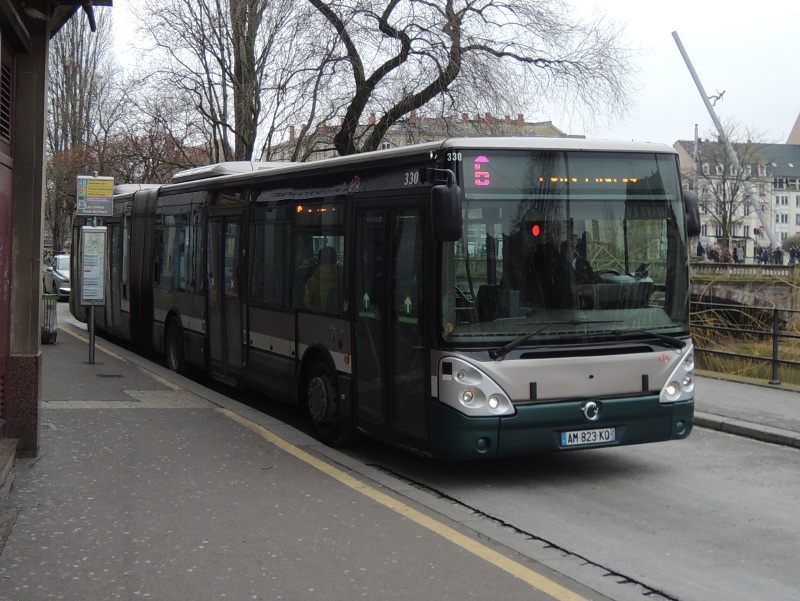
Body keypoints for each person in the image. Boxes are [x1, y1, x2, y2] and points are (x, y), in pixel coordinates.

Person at [304, 245, 342, 311]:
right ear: (335, 260)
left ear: (320, 260)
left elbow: (307, 304)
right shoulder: (342, 278)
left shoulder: (312, 281)